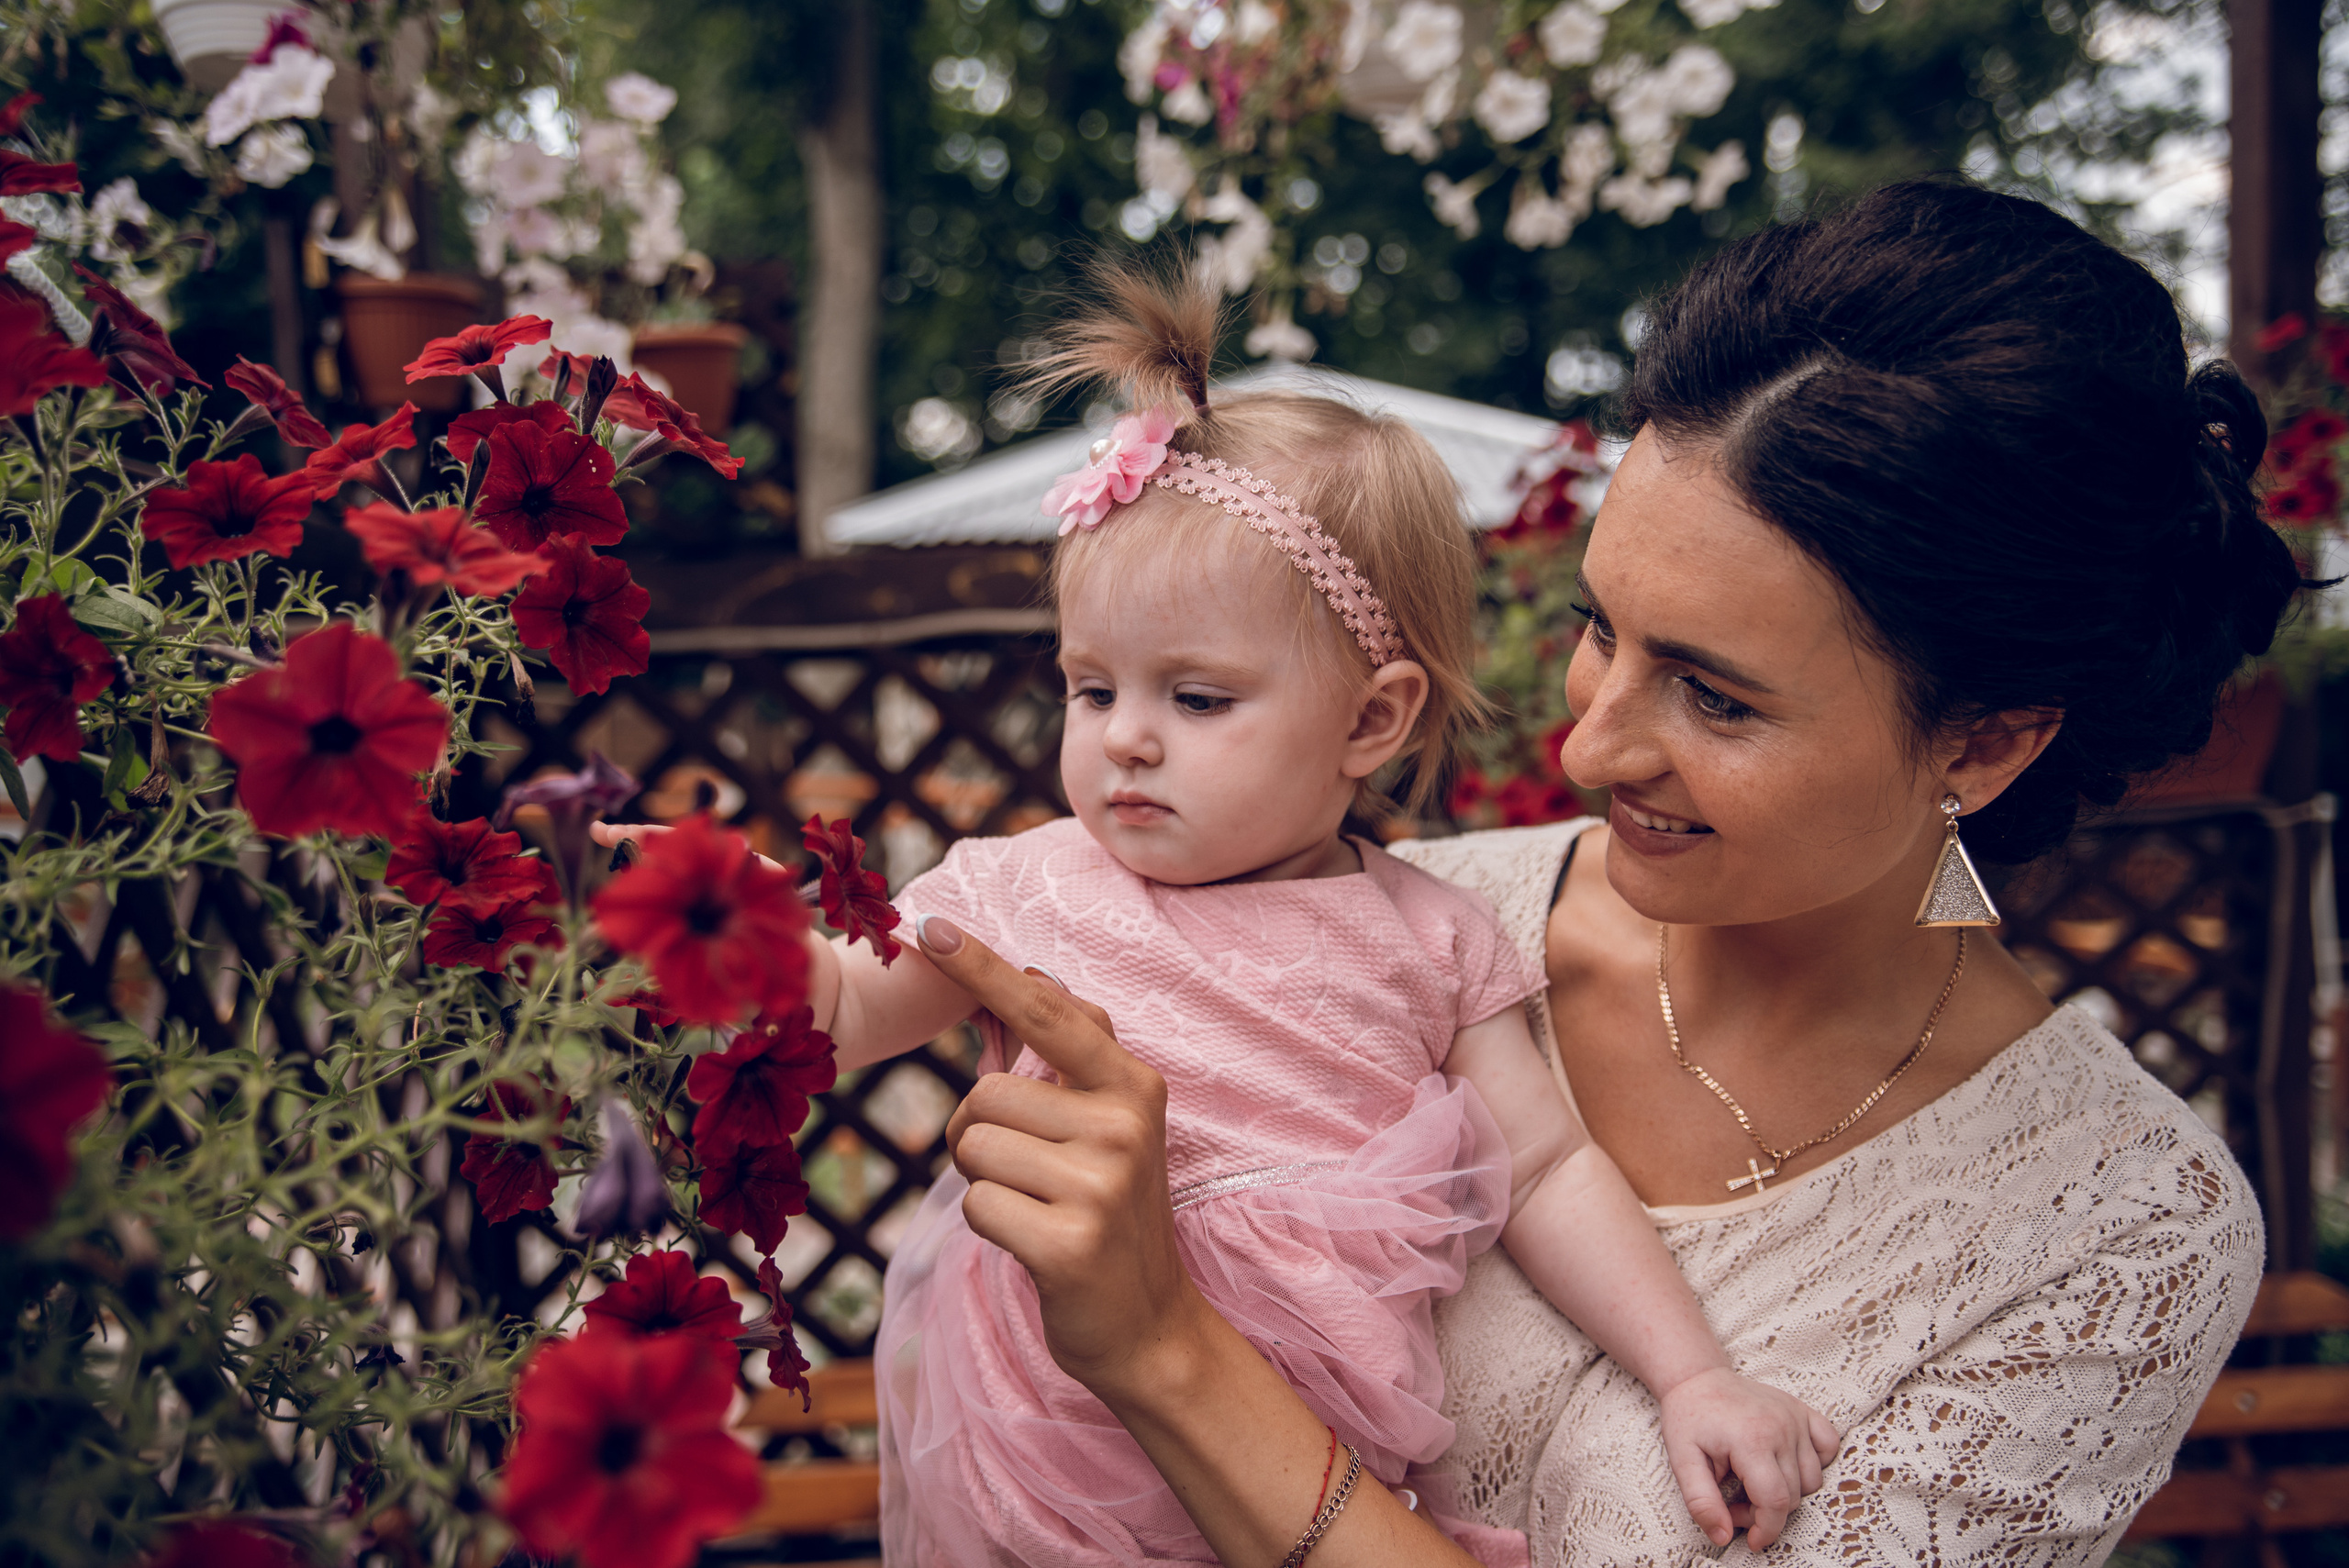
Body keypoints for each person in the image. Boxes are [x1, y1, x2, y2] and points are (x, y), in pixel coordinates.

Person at [907, 178, 2308, 1565]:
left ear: (1987, 740)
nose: (1585, 744)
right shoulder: (1377, 919)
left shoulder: (2119, 1230)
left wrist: (1168, 1355)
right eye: (1600, 626)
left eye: (1713, 694)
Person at [802, 266, 1837, 1568]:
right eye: (1089, 686)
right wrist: (704, 931)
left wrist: (1692, 1375)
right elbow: (841, 1008)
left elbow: (1547, 1170)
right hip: (1042, 1452)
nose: (1124, 739)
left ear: (1370, 719)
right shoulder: (1026, 889)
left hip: (1302, 1476)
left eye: (1197, 698)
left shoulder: (1428, 937)